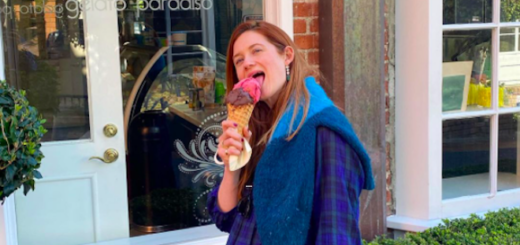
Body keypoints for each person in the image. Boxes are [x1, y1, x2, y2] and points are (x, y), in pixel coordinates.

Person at [207, 21, 375, 245]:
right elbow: (226, 218)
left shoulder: (325, 132)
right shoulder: (259, 127)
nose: (247, 63)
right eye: (239, 60)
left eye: (256, 50)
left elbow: (336, 235)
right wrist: (231, 166)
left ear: (287, 56)